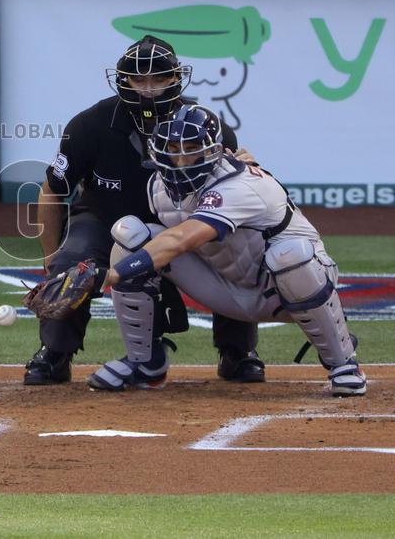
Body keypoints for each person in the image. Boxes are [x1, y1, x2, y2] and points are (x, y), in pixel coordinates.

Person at [24, 35, 265, 386]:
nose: (148, 89)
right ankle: (55, 353)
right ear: (124, 79)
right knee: (69, 262)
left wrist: (247, 166)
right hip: (103, 217)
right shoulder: (89, 125)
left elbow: (236, 190)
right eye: (139, 79)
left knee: (234, 252)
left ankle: (238, 352)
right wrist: (50, 256)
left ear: (175, 79)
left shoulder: (206, 123)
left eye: (158, 79)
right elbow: (52, 192)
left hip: (182, 220)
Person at [88, 104, 367, 396]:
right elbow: (162, 247)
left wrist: (113, 276)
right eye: (172, 148)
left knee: (290, 256)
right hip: (224, 288)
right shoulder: (159, 187)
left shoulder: (241, 184)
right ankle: (145, 365)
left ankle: (343, 363)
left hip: (285, 290)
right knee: (131, 236)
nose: (181, 159)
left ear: (214, 150)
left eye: (192, 148)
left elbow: (183, 239)